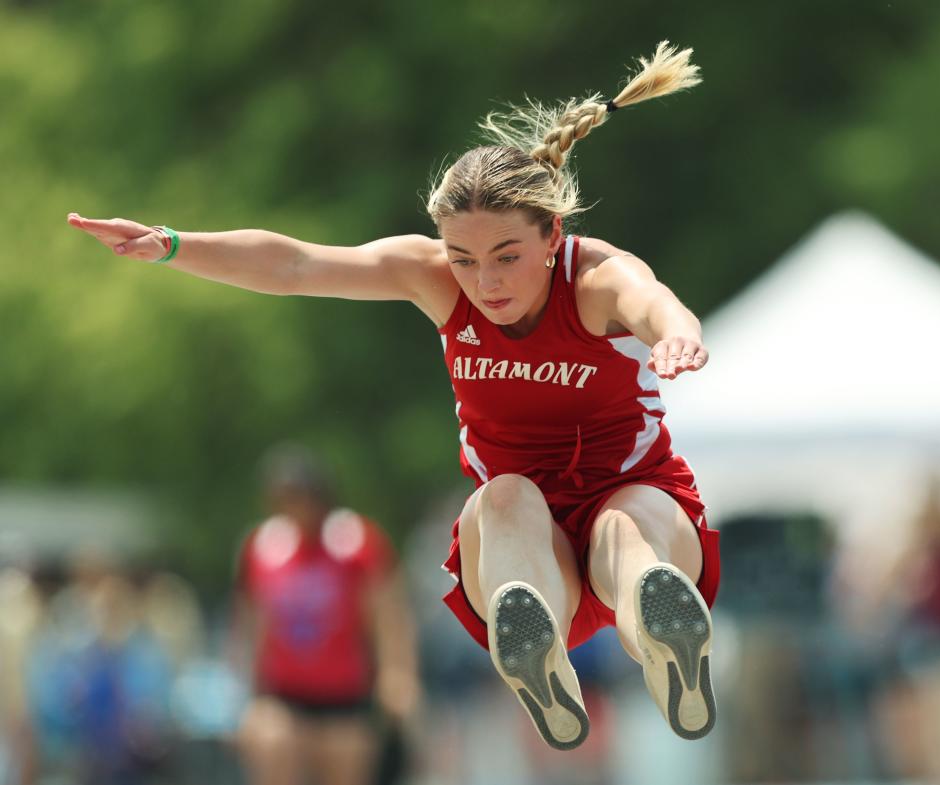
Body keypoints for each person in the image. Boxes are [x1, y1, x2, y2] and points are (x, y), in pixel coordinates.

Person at [67, 40, 721, 749]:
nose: (486, 283)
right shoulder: (432, 275)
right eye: (465, 259)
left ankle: (660, 633)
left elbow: (652, 301)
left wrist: (677, 332)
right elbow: (294, 263)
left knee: (623, 523)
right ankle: (536, 643)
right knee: (501, 495)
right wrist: (170, 242)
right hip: (519, 540)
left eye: (507, 257)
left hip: (633, 501)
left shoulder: (594, 279)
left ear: (552, 234)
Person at [230, 443, 419, 785]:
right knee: (273, 743)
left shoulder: (355, 543)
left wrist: (397, 675)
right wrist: (244, 692)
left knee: (345, 758)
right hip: (283, 693)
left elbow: (387, 615)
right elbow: (250, 622)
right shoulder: (262, 548)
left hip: (345, 695)